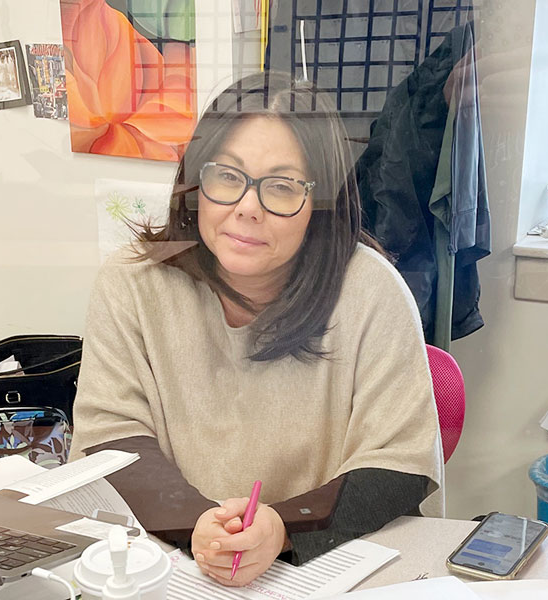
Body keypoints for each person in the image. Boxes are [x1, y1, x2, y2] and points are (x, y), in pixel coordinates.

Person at [70, 72, 443, 587]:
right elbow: (112, 436)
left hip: (330, 562)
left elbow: (400, 465)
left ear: (321, 203)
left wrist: (280, 528)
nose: (247, 206)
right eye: (227, 176)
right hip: (177, 561)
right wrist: (196, 523)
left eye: (283, 186)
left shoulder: (372, 292)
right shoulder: (132, 282)